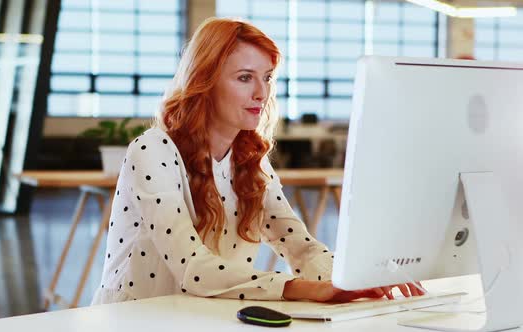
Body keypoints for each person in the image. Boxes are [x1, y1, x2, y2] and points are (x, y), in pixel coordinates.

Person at [91, 17, 424, 305]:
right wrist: (301, 289)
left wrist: (358, 277)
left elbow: (301, 248)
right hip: (135, 318)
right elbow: (192, 266)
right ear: (203, 82)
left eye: (266, 77)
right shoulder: (152, 150)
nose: (262, 93)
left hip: (202, 315)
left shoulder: (250, 161)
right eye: (244, 77)